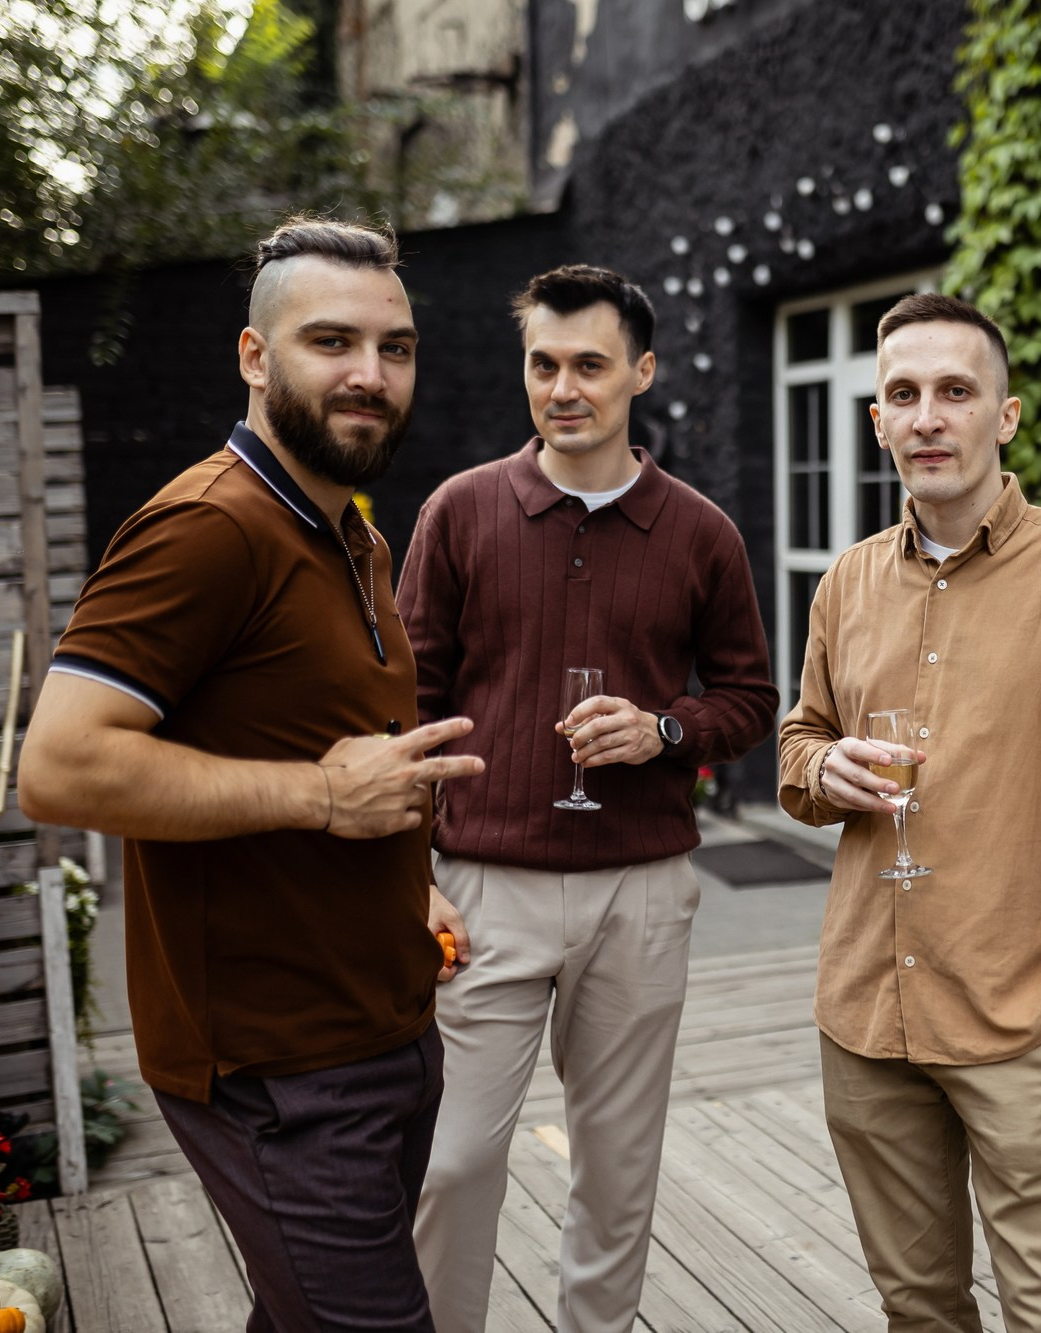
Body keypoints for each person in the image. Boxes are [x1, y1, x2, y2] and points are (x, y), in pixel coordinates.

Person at [18, 217, 483, 1331]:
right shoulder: (205, 528)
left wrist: (405, 877)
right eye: (332, 341)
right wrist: (321, 797)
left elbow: (330, 740)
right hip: (278, 1074)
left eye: (397, 346)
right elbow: (60, 767)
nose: (370, 375)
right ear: (253, 355)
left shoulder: (353, 535)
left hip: (383, 1030)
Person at [778, 292, 1041, 1332]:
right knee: (916, 1307)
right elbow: (798, 742)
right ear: (876, 420)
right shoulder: (844, 584)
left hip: (1023, 1012)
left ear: (1002, 416)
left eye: (955, 392)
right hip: (866, 1015)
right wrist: (823, 767)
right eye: (903, 395)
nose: (928, 416)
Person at [399, 263, 778, 1333]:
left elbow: (749, 699)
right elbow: (406, 707)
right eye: (543, 364)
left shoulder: (700, 531)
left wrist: (663, 731)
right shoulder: (461, 511)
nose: (563, 387)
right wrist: (408, 874)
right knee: (453, 1160)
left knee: (616, 1172)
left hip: (642, 892)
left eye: (590, 365)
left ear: (641, 373)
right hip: (483, 892)